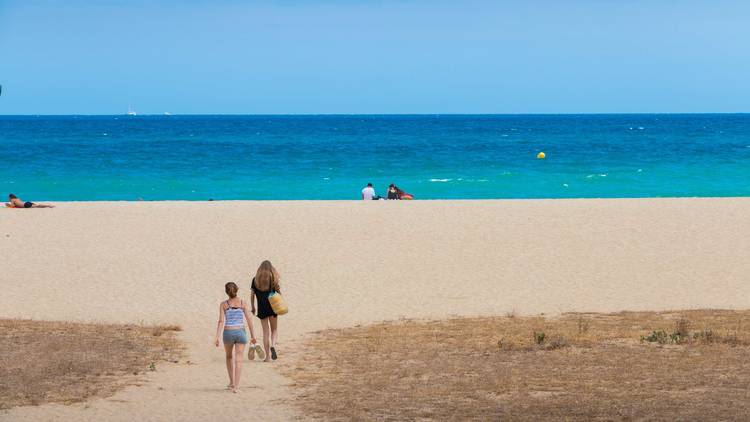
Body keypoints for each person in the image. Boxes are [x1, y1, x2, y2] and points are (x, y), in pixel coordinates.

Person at [214, 282, 257, 393]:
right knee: (238, 360)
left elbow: (221, 321)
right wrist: (253, 336)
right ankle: (236, 387)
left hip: (228, 332)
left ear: (226, 292)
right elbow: (249, 319)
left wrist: (217, 337)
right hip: (240, 332)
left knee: (229, 357)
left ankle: (232, 382)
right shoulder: (243, 303)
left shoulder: (223, 304)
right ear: (237, 290)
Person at [250, 260, 282, 362]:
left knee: (265, 332)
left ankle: (267, 357)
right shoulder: (273, 278)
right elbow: (278, 293)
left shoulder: (255, 280)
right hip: (272, 307)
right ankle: (273, 345)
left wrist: (253, 307)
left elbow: (252, 295)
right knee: (274, 330)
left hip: (262, 308)